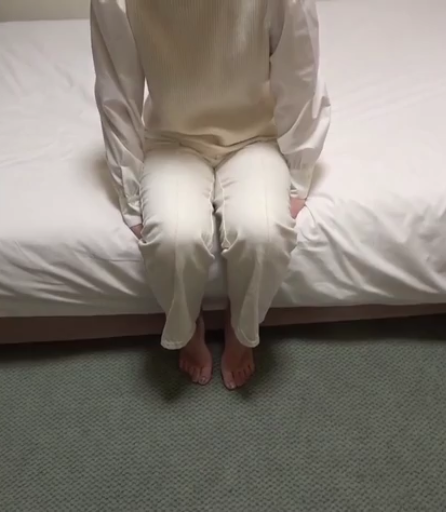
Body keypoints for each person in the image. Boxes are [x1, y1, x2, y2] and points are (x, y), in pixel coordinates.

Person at [91, 0, 330, 389]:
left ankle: (241, 325)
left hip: (255, 136)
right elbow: (117, 91)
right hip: (172, 138)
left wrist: (300, 167)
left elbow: (299, 68)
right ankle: (188, 326)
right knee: (173, 240)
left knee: (263, 235)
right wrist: (130, 193)